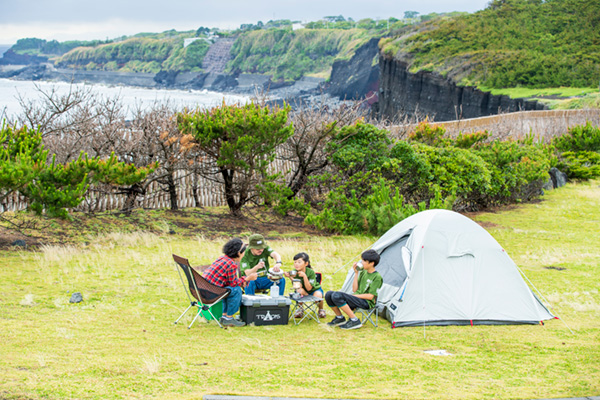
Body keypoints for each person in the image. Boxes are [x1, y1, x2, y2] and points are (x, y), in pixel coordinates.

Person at [203, 237, 258, 327]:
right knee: (236, 290)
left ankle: (225, 317)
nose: (244, 255)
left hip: (203, 289)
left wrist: (243, 279)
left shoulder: (223, 258)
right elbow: (233, 283)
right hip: (211, 293)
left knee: (229, 290)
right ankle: (229, 318)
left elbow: (229, 282)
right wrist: (247, 278)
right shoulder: (231, 264)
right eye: (243, 252)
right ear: (238, 253)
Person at [325, 249, 383, 330]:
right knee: (329, 294)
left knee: (336, 296)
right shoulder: (363, 272)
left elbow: (370, 296)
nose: (361, 262)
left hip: (366, 302)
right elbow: (354, 289)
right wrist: (356, 273)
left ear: (372, 263)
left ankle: (354, 320)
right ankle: (340, 318)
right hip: (357, 298)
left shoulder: (377, 277)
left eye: (364, 261)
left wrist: (355, 296)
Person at [284, 252, 326, 319]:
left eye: (299, 262)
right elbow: (297, 285)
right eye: (295, 262)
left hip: (314, 290)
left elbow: (309, 288)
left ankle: (321, 309)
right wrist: (290, 277)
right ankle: (300, 309)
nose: (296, 264)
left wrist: (304, 276)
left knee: (318, 295)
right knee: (298, 290)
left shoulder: (310, 272)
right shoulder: (294, 272)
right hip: (303, 291)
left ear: (306, 264)